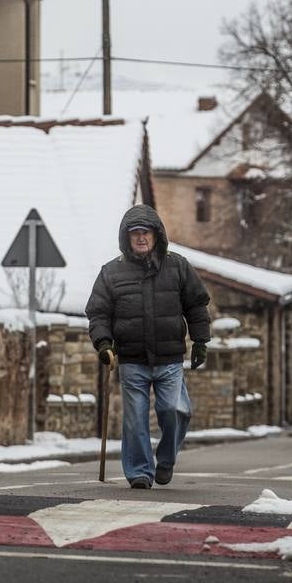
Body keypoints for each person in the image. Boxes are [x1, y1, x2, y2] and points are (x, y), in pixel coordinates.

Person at [85, 204, 211, 489]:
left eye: (146, 232)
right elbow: (98, 313)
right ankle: (140, 471)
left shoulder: (177, 265)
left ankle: (166, 460)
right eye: (135, 233)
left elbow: (196, 305)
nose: (141, 238)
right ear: (126, 238)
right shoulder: (111, 272)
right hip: (131, 359)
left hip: (169, 359)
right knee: (135, 421)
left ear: (157, 235)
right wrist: (103, 343)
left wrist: (201, 340)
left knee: (176, 410)